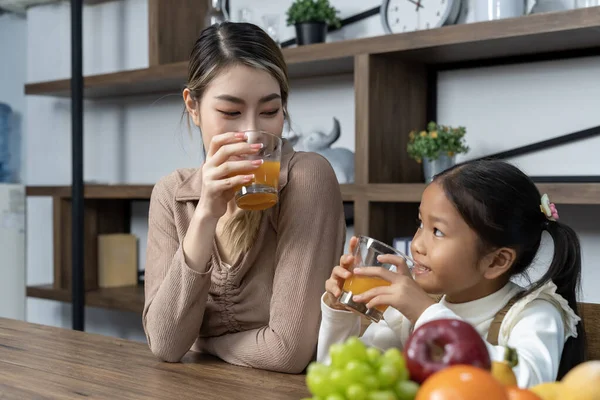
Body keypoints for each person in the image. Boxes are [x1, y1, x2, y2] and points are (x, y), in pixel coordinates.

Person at [142, 22, 346, 374]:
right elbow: (164, 343)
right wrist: (206, 213)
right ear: (193, 107)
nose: (253, 134)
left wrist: (202, 342)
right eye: (231, 112)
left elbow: (287, 352)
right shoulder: (171, 195)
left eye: (270, 111)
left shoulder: (307, 177)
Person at [318, 159, 587, 387]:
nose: (417, 245)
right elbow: (340, 378)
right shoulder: (414, 312)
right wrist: (340, 312)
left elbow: (528, 385)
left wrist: (425, 314)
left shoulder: (532, 314)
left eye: (437, 231)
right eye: (420, 223)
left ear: (496, 261)